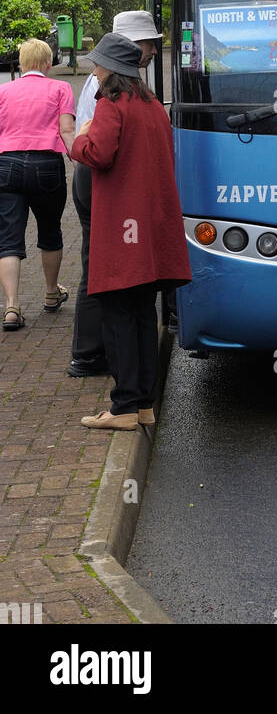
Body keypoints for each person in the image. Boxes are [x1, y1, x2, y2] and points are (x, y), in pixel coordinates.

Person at [71, 34, 190, 431]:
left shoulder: (110, 105)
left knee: (117, 315)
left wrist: (77, 138)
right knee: (142, 315)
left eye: (99, 64)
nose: (94, 69)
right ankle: (143, 405)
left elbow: (98, 154)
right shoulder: (153, 105)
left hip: (123, 228)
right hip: (150, 228)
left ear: (112, 70)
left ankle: (122, 407)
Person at [67, 11, 161, 378]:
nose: (153, 49)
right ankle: (89, 353)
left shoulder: (120, 85)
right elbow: (97, 146)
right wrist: (78, 143)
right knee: (99, 265)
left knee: (102, 263)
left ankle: (95, 350)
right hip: (96, 177)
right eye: (148, 42)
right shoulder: (111, 87)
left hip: (99, 174)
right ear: (131, 47)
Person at [0, 39, 75, 330]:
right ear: (48, 63)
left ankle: (11, 307)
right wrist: (80, 159)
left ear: (21, 63)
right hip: (46, 166)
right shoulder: (60, 88)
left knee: (8, 238)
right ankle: (50, 293)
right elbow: (67, 129)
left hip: (7, 165)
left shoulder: (4, 91)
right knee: (50, 230)